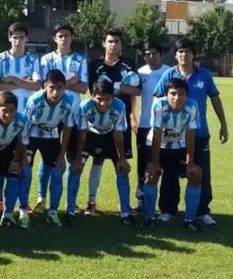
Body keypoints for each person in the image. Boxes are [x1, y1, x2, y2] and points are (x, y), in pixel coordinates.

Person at [152, 38, 229, 227]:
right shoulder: (169, 75)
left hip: (200, 133)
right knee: (170, 173)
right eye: (180, 51)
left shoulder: (204, 76)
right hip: (173, 135)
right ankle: (168, 210)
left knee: (201, 172)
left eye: (187, 51)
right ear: (175, 55)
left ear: (194, 54)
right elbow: (157, 98)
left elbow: (215, 99)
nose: (183, 55)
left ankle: (202, 212)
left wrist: (223, 124)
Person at [86, 28, 140, 214]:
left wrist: (133, 116)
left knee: (121, 162)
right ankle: (91, 202)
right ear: (104, 43)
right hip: (99, 122)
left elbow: (137, 91)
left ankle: (123, 203)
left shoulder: (128, 64)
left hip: (121, 120)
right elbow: (92, 92)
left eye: (117, 41)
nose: (113, 45)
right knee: (97, 161)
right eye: (110, 41)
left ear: (120, 44)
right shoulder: (94, 65)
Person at [34, 23, 88, 213]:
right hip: (50, 115)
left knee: (73, 158)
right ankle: (41, 197)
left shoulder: (80, 59)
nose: (64, 38)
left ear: (72, 38)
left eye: (67, 35)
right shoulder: (46, 59)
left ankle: (70, 203)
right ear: (54, 38)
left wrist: (62, 84)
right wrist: (71, 81)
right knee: (49, 158)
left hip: (72, 115)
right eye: (60, 35)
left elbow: (84, 88)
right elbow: (43, 86)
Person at [0, 21, 40, 217]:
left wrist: (12, 80)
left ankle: (23, 202)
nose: (18, 41)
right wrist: (23, 82)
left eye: (21, 37)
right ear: (9, 38)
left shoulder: (33, 59)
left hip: (26, 119)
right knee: (0, 159)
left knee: (23, 160)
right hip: (3, 118)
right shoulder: (0, 58)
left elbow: (37, 85)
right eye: (15, 37)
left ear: (26, 39)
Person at [70, 79, 131, 226]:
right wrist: (78, 158)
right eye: (99, 99)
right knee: (76, 169)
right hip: (90, 136)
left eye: (107, 99)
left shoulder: (119, 106)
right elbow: (82, 133)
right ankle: (70, 211)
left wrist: (122, 158)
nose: (103, 103)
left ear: (113, 97)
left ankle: (125, 213)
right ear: (92, 96)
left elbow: (118, 134)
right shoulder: (85, 106)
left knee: (122, 170)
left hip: (110, 137)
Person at [144, 77, 202, 232]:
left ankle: (189, 219)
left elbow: (190, 134)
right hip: (158, 145)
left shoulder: (192, 106)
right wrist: (155, 163)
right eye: (173, 94)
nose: (177, 98)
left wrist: (190, 164)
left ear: (186, 95)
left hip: (180, 146)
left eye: (181, 94)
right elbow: (157, 134)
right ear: (166, 94)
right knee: (151, 174)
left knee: (195, 174)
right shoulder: (159, 105)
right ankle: (149, 217)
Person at [24, 69, 79, 228]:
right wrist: (21, 153)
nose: (55, 92)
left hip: (52, 136)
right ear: (45, 86)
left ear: (64, 87)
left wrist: (62, 155)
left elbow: (68, 128)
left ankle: (53, 212)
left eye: (60, 88)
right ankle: (23, 211)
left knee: (56, 172)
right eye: (52, 88)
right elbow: (24, 127)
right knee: (25, 172)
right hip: (32, 135)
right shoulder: (34, 100)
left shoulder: (69, 101)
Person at [0, 92, 31, 228]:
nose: (8, 114)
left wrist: (16, 160)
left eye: (12, 111)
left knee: (14, 177)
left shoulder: (21, 120)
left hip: (5, 151)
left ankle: (8, 214)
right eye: (4, 111)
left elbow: (22, 141)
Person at [135, 41, 168, 213]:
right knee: (143, 165)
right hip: (144, 125)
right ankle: (142, 202)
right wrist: (133, 118)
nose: (151, 57)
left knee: (163, 165)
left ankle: (165, 204)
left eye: (154, 53)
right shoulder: (140, 73)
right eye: (147, 54)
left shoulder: (169, 72)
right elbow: (132, 96)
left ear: (160, 54)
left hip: (163, 127)